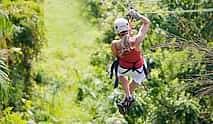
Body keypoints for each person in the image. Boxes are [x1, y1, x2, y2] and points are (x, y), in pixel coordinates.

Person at [111, 9, 150, 114]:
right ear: (127, 28)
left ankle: (128, 95)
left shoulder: (115, 44)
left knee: (119, 72)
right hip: (138, 69)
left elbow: (116, 56)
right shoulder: (136, 40)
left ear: (117, 31)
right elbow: (147, 23)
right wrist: (138, 15)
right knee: (138, 76)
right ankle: (126, 99)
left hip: (124, 69)